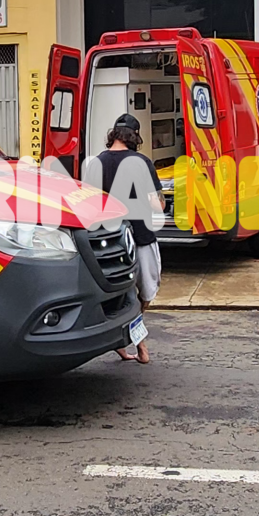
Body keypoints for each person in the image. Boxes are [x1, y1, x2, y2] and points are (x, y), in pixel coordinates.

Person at [90, 113, 164, 364]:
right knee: (146, 291)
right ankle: (137, 341)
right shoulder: (141, 162)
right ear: (134, 137)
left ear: (113, 136)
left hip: (107, 242)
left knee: (120, 295)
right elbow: (158, 206)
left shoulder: (96, 163)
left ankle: (126, 343)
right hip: (140, 237)